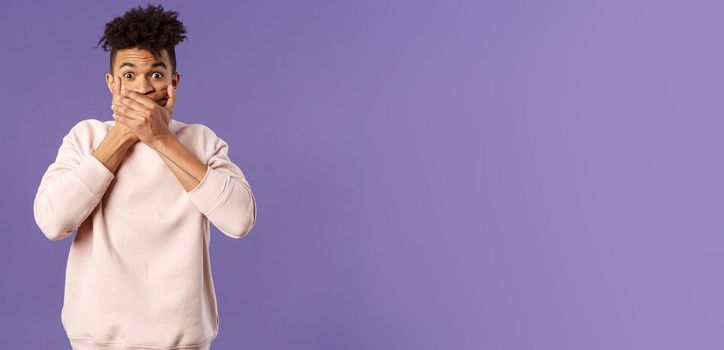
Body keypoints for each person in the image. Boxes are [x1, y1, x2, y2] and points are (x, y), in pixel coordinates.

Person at [32, 4, 257, 350]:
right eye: (128, 75)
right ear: (111, 83)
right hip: (97, 342)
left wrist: (160, 139)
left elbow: (239, 219)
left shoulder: (201, 141)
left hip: (183, 342)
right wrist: (122, 135)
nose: (142, 87)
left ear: (173, 81)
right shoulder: (86, 138)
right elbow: (52, 221)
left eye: (155, 74)